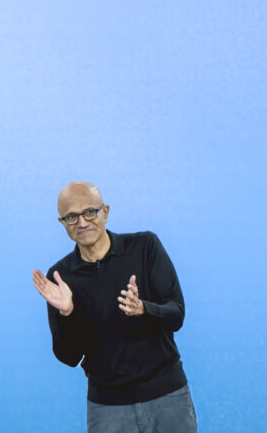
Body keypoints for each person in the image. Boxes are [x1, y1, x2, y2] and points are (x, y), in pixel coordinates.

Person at [32, 181, 196, 433]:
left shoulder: (145, 247)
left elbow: (177, 316)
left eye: (90, 212)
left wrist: (143, 308)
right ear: (62, 222)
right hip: (107, 409)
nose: (83, 222)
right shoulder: (60, 276)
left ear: (105, 212)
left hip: (168, 398)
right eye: (72, 217)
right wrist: (67, 313)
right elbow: (68, 357)